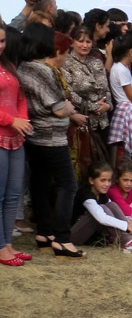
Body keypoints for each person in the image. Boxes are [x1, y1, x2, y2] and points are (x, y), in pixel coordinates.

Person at [17, 25, 87, 258]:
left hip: (34, 135)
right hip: (52, 137)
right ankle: (62, 238)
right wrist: (69, 108)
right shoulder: (42, 71)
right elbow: (59, 108)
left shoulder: (22, 67)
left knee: (40, 182)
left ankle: (44, 232)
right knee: (67, 184)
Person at [70, 161, 132, 253]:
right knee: (103, 208)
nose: (107, 184)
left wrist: (128, 220)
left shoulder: (102, 195)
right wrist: (126, 225)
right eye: (103, 180)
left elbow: (115, 210)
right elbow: (101, 218)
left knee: (111, 205)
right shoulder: (85, 195)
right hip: (74, 236)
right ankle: (127, 242)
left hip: (92, 235)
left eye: (109, 180)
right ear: (91, 180)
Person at [62, 24, 113, 181]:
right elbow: (69, 92)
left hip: (102, 121)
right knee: (84, 165)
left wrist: (108, 105)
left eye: (88, 41)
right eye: (80, 41)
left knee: (103, 164)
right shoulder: (66, 62)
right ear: (72, 42)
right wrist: (94, 106)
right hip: (81, 121)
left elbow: (106, 88)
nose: (85, 45)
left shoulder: (96, 62)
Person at [0, 22, 33, 267]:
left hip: (15, 137)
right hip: (3, 135)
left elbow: (20, 97)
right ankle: (1, 247)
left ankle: (8, 243)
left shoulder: (8, 65)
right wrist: (13, 120)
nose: (0, 46)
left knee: (13, 195)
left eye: (2, 41)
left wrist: (21, 119)